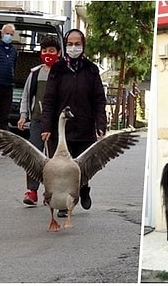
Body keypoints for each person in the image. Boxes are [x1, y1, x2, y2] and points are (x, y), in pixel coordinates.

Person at [40, 29, 107, 217]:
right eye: (70, 43)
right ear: (65, 45)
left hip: (85, 128)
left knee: (82, 167)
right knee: (61, 170)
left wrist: (100, 124)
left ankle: (83, 189)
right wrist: (46, 126)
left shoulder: (91, 70)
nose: (73, 47)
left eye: (77, 44)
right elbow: (49, 100)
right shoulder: (58, 69)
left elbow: (99, 100)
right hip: (61, 130)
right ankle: (62, 205)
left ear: (83, 45)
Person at [18, 35, 62, 205]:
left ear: (58, 53)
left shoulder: (63, 73)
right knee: (34, 155)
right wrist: (23, 116)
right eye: (44, 51)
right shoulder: (35, 73)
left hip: (56, 123)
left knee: (54, 159)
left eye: (51, 51)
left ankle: (51, 192)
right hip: (37, 120)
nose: (47, 54)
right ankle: (32, 191)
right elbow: (27, 95)